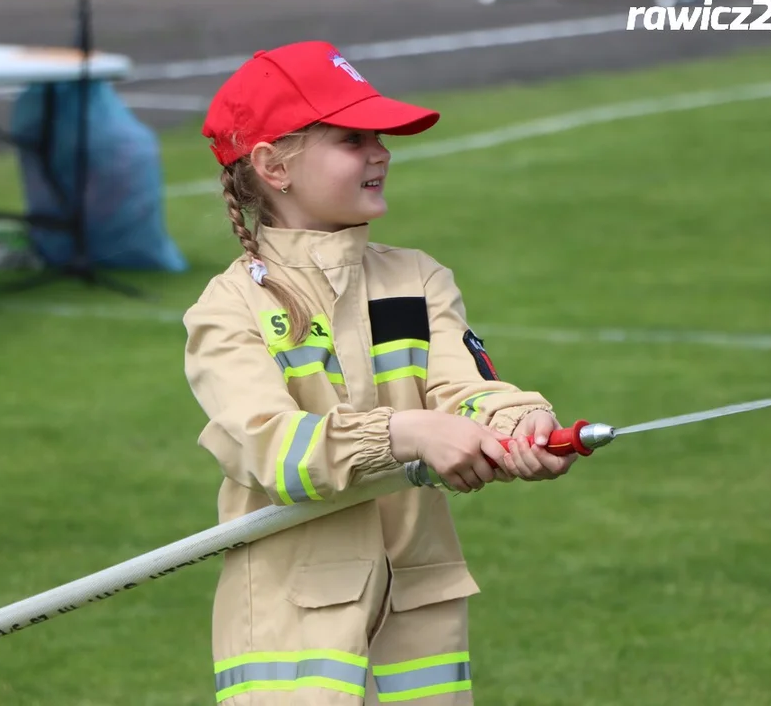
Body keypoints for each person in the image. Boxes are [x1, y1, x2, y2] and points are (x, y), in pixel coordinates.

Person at [182, 41, 577, 706]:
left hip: (420, 602)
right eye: (352, 139)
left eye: (381, 138)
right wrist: (408, 434)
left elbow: (464, 387)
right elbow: (274, 453)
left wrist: (517, 423)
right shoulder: (229, 309)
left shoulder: (416, 277)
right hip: (291, 622)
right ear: (273, 164)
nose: (380, 153)